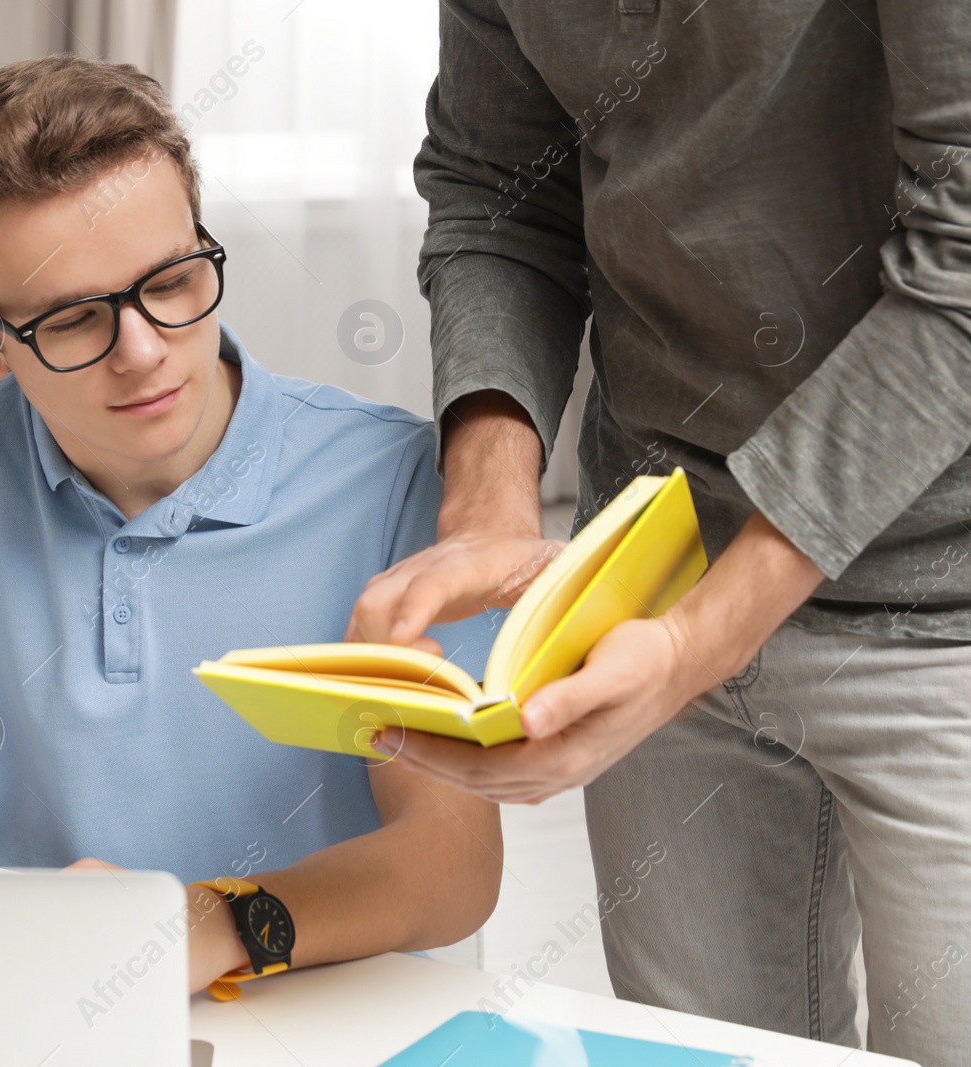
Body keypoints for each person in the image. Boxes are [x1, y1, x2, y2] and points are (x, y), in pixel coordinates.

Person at [0, 54, 503, 1000]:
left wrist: (202, 926)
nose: (143, 353)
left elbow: (451, 863)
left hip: (335, 1010)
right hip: (57, 1001)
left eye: (171, 282)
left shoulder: (394, 485)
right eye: (71, 319)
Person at [347, 4, 971, 1064]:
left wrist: (695, 642)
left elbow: (960, 264)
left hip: (938, 590)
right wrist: (490, 511)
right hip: (651, 548)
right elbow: (499, 197)